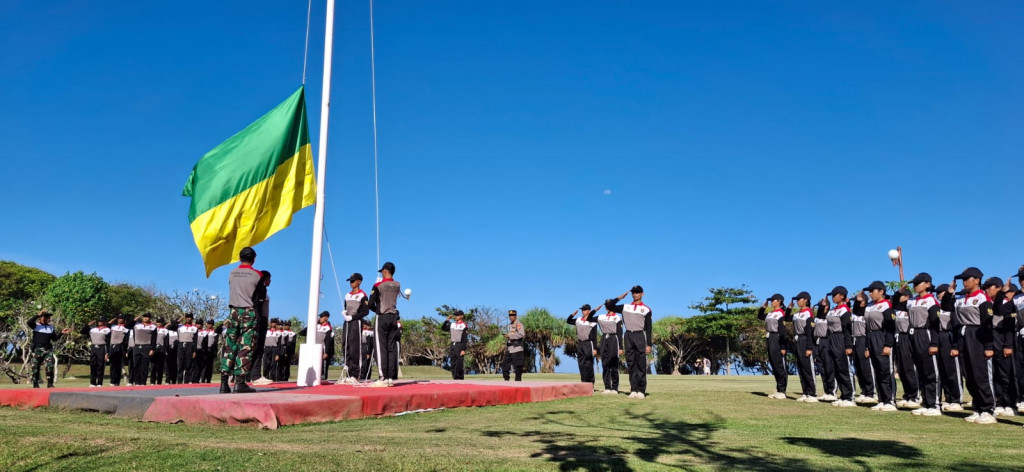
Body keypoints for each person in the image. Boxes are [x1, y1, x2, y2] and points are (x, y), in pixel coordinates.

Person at [941, 268, 997, 424]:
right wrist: (950, 292)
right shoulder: (960, 298)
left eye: (967, 278)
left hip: (978, 335)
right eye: (962, 279)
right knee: (969, 375)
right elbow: (945, 307)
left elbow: (988, 324)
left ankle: (988, 409)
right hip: (963, 335)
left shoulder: (982, 298)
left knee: (980, 374)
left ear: (977, 280)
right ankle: (977, 408)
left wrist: (988, 346)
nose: (964, 282)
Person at [220, 246, 263, 394]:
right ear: (254, 259)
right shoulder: (257, 275)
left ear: (240, 258)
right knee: (246, 347)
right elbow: (259, 298)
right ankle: (240, 383)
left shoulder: (231, 273)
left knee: (229, 346)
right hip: (248, 311)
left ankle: (224, 383)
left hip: (233, 311)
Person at [902, 273, 941, 416]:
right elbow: (896, 305)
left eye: (918, 283)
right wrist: (899, 292)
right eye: (914, 283)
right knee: (920, 371)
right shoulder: (912, 301)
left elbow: (936, 324)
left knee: (930, 371)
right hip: (913, 335)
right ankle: (926, 402)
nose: (915, 286)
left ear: (928, 284)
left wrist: (934, 343)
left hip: (926, 334)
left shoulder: (931, 301)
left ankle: (935, 404)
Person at [855, 281, 898, 412]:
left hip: (882, 336)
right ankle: (882, 399)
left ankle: (890, 400)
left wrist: (887, 344)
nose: (870, 293)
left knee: (885, 370)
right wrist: (867, 347)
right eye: (870, 291)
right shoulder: (869, 306)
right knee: (877, 370)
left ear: (881, 291)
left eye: (873, 291)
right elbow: (860, 316)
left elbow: (891, 326)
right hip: (872, 336)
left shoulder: (886, 305)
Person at [605, 286, 653, 399]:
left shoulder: (647, 309)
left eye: (637, 292)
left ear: (642, 294)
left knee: (641, 364)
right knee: (631, 363)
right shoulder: (625, 307)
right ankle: (633, 389)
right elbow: (609, 306)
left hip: (640, 335)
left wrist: (649, 344)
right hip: (628, 335)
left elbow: (649, 328)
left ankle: (641, 390)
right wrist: (619, 298)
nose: (635, 294)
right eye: (633, 293)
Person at [369, 261, 402, 386]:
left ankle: (382, 377)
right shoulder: (398, 285)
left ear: (384, 271)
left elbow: (371, 303)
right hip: (393, 317)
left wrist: (377, 310)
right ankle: (389, 377)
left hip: (382, 316)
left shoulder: (378, 285)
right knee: (391, 348)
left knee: (380, 347)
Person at [934, 284, 964, 412]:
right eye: (938, 292)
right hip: (938, 337)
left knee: (952, 370)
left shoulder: (952, 306)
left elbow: (956, 326)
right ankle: (948, 398)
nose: (939, 294)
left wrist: (955, 345)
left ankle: (957, 399)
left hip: (949, 336)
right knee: (942, 371)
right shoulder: (937, 307)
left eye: (941, 292)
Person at [990, 278, 1017, 417]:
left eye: (990, 287)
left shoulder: (1007, 305)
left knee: (1006, 376)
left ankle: (1010, 403)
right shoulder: (991, 303)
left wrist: (1008, 345)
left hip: (1003, 343)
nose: (988, 289)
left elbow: (1008, 328)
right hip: (993, 343)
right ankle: (999, 402)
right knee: (996, 376)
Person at [892, 287, 921, 409]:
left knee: (910, 368)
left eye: (902, 296)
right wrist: (898, 292)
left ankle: (915, 395)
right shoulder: (897, 310)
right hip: (898, 338)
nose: (900, 298)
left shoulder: (911, 308)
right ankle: (908, 394)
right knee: (901, 369)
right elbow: (893, 301)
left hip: (908, 337)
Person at [758, 294, 790, 400]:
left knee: (779, 365)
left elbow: (782, 332)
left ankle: (782, 390)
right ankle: (778, 389)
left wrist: (783, 346)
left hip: (777, 337)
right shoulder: (770, 313)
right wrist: (763, 307)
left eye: (773, 300)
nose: (772, 302)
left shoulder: (780, 314)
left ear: (779, 301)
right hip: (769, 337)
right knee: (774, 364)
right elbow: (760, 316)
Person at [341, 273, 370, 383]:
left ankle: (355, 374)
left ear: (359, 282)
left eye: (353, 281)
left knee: (354, 348)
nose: (351, 283)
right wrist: (344, 314)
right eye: (350, 281)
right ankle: (348, 372)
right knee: (346, 346)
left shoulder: (363, 295)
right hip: (347, 322)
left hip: (356, 322)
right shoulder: (347, 295)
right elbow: (345, 307)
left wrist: (353, 317)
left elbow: (365, 311)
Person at [27, 311, 69, 388]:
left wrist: (61, 333)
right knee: (35, 366)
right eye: (46, 317)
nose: (48, 319)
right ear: (41, 318)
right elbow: (29, 322)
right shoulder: (36, 325)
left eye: (48, 317)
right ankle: (35, 384)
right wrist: (37, 315)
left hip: (47, 350)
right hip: (37, 349)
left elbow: (54, 339)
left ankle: (50, 384)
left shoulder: (50, 327)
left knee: (49, 366)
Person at [789, 292, 818, 403]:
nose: (797, 301)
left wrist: (809, 347)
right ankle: (805, 392)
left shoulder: (808, 313)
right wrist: (789, 308)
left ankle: (812, 393)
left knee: (808, 368)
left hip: (806, 340)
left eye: (799, 299)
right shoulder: (797, 314)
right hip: (798, 340)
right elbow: (786, 318)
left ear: (805, 300)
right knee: (801, 368)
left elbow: (810, 332)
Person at [566, 305, 600, 386]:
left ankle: (591, 383)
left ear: (589, 311)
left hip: (589, 343)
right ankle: (584, 382)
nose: (583, 311)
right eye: (582, 310)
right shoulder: (578, 320)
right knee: (581, 364)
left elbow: (594, 336)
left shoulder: (593, 322)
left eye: (585, 310)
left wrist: (595, 348)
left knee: (589, 363)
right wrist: (572, 315)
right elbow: (568, 321)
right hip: (580, 343)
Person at [298, 311, 336, 381]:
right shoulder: (316, 326)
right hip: (313, 348)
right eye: (320, 317)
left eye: (322, 317)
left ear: (326, 318)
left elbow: (328, 341)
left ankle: (322, 378)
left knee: (322, 366)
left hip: (322, 349)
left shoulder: (328, 328)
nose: (320, 318)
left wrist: (326, 352)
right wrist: (312, 324)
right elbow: (301, 333)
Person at [595, 303, 623, 394]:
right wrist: (595, 310)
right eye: (607, 305)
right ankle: (607, 387)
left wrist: (621, 347)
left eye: (609, 305)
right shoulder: (601, 316)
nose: (608, 307)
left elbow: (620, 333)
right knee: (605, 363)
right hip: (604, 339)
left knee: (614, 363)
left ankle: (615, 387)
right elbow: (589, 318)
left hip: (614, 339)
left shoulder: (617, 317)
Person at [250, 270, 272, 384]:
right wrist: (260, 320)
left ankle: (253, 374)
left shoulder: (263, 289)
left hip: (261, 320)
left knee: (257, 348)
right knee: (257, 348)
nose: (270, 281)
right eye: (269, 279)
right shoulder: (260, 289)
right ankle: (256, 375)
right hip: (259, 321)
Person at [82, 318, 110, 387]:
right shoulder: (93, 329)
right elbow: (82, 331)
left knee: (100, 365)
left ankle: (99, 382)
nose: (100, 322)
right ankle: (92, 382)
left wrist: (108, 353)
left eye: (101, 321)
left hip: (102, 347)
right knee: (93, 365)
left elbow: (109, 341)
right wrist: (88, 325)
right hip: (94, 347)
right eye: (99, 321)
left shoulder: (107, 330)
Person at [131, 313, 157, 386]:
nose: (145, 318)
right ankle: (137, 382)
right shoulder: (136, 325)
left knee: (144, 366)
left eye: (147, 317)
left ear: (150, 318)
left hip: (146, 347)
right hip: (137, 346)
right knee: (136, 365)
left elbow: (154, 339)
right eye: (144, 317)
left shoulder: (153, 327)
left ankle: (143, 382)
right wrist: (134, 319)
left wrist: (152, 349)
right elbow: (128, 325)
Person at [442, 310, 468, 380]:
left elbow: (465, 338)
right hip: (452, 345)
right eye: (455, 315)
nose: (456, 317)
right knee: (453, 363)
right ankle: (454, 378)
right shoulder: (452, 324)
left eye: (457, 315)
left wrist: (463, 349)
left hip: (460, 345)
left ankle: (460, 378)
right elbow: (443, 328)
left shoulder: (464, 325)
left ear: (461, 316)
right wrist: (447, 320)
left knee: (459, 364)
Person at [175, 313, 199, 384]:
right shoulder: (180, 326)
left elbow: (195, 340)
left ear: (192, 318)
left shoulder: (194, 328)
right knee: (180, 364)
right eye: (187, 317)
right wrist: (181, 318)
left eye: (190, 317)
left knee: (188, 364)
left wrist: (194, 351)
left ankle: (186, 381)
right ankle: (179, 381)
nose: (188, 319)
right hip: (181, 344)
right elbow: (171, 325)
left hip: (190, 345)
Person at [108, 315, 130, 387]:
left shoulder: (126, 328)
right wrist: (114, 318)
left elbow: (126, 340)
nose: (120, 320)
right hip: (112, 346)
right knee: (112, 365)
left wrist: (125, 349)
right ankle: (112, 381)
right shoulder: (113, 327)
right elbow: (108, 324)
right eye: (119, 318)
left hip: (120, 347)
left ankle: (117, 381)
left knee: (118, 365)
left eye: (121, 318)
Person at [197, 319, 219, 383]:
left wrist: (215, 351)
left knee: (209, 366)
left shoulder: (214, 332)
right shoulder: (204, 331)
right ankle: (202, 379)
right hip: (204, 350)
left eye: (211, 324)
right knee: (203, 365)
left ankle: (208, 379)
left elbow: (216, 342)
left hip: (211, 349)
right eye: (208, 324)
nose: (209, 325)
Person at [150, 317, 170, 385]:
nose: (159, 323)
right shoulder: (153, 329)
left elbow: (166, 341)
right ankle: (152, 381)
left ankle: (159, 382)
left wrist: (166, 350)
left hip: (161, 349)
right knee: (153, 366)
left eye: (160, 322)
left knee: (160, 366)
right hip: (154, 348)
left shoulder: (165, 330)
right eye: (158, 322)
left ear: (162, 323)